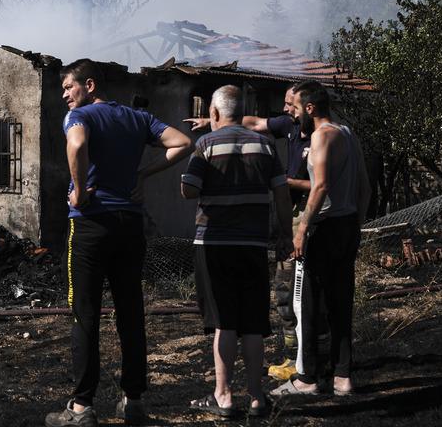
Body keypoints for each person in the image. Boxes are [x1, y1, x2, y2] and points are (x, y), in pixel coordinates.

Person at [45, 59, 192, 427]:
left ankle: (81, 408)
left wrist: (78, 192)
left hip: (92, 224)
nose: (65, 95)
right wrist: (144, 173)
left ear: (89, 85)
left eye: (69, 87)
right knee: (130, 310)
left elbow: (76, 145)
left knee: (85, 313)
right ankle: (134, 400)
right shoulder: (136, 118)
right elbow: (183, 142)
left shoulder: (80, 118)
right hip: (130, 225)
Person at [185, 87, 318, 381]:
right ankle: (257, 397)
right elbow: (282, 196)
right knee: (253, 324)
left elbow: (189, 189)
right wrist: (285, 234)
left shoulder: (206, 143)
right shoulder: (267, 146)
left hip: (214, 244)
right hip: (253, 244)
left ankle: (224, 394)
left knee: (224, 322)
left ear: (215, 113)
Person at [271, 80, 370, 397]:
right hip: (347, 226)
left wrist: (301, 230)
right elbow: (364, 186)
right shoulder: (347, 133)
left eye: (296, 108)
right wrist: (357, 222)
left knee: (307, 305)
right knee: (341, 303)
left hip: (323, 228)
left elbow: (321, 186)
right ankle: (343, 377)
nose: (293, 114)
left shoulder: (321, 136)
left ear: (310, 108)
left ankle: (308, 378)